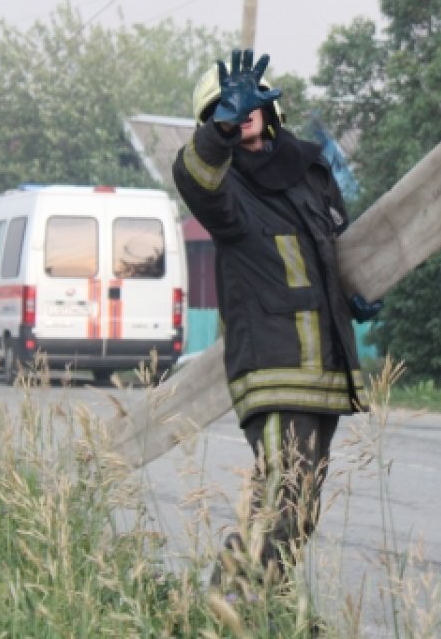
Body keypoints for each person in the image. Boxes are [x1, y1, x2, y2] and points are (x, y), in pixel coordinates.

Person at [172, 49, 378, 587]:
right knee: (283, 497)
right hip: (271, 365)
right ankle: (228, 607)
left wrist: (348, 292)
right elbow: (196, 176)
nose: (240, 112)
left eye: (247, 102)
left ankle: (260, 606)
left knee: (300, 508)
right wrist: (218, 131)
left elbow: (328, 245)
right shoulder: (225, 188)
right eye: (224, 108)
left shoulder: (311, 173)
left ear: (271, 107)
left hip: (325, 367)